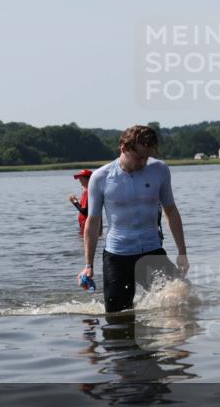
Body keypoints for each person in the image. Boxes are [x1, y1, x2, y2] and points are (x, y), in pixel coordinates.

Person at [78, 125, 189, 313]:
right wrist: (88, 265)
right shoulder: (101, 177)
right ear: (124, 148)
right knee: (117, 317)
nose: (143, 162)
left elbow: (171, 211)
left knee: (181, 298)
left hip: (151, 251)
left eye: (147, 156)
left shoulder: (159, 170)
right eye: (139, 157)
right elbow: (93, 221)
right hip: (118, 256)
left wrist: (182, 252)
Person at [68, 169, 93, 235]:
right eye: (79, 178)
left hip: (87, 227)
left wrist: (74, 202)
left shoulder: (87, 191)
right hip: (90, 226)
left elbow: (84, 211)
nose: (79, 180)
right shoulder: (92, 190)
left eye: (81, 178)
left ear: (88, 179)